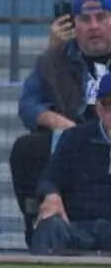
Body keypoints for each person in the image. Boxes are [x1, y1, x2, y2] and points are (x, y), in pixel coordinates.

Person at [30, 73, 111, 256]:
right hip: (77, 226)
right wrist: (51, 195)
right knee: (50, 226)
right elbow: (50, 178)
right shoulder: (75, 138)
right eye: (110, 106)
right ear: (99, 109)